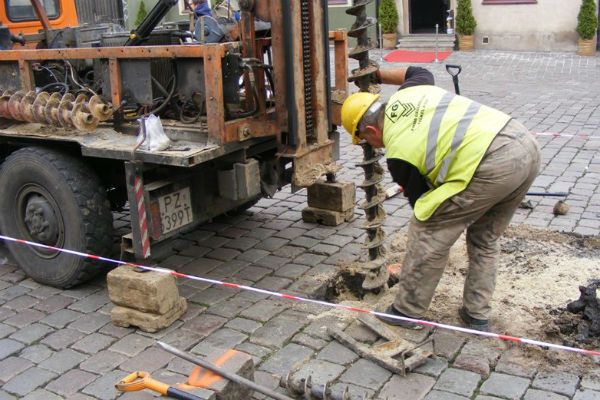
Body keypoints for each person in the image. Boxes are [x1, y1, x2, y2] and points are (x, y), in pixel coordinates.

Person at [341, 67, 540, 332]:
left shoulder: (399, 155)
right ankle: (476, 315)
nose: (372, 146)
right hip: (525, 145)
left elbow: (424, 206)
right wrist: (377, 75)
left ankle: (407, 311)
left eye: (364, 139)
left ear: (369, 129)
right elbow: (418, 70)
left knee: (428, 229)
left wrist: (427, 247)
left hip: (492, 164)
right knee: (485, 237)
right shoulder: (411, 90)